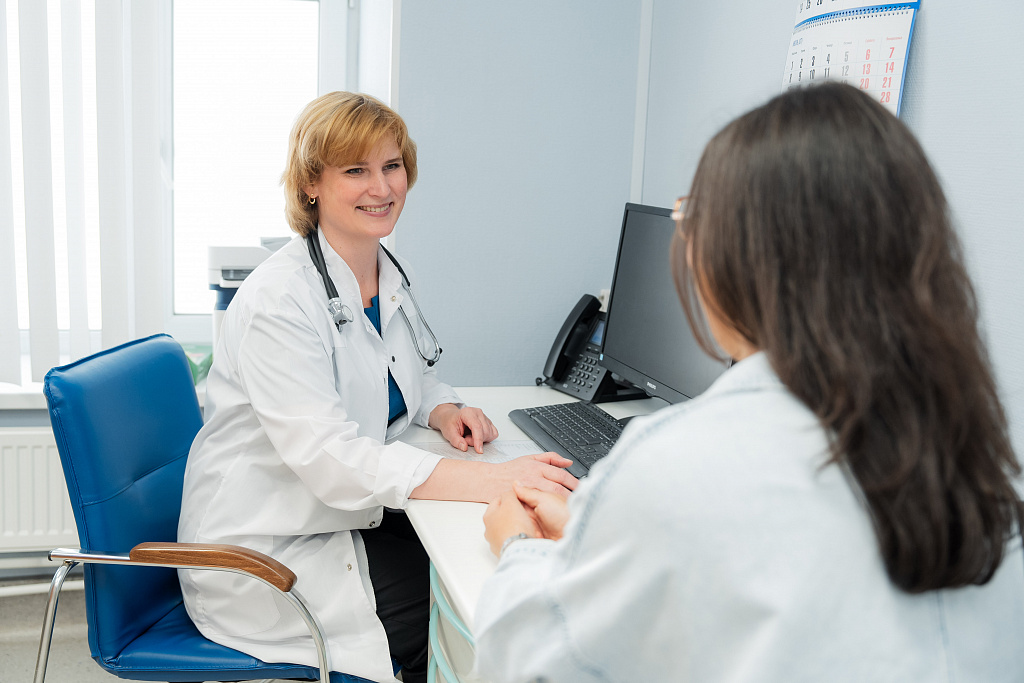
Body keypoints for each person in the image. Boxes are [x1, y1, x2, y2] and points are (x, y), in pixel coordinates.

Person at [475, 82, 1024, 682]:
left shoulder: (680, 461)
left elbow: (533, 665)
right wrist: (605, 537)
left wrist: (521, 550)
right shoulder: (983, 468)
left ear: (737, 257)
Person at [177, 92, 576, 683]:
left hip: (337, 517)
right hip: (267, 549)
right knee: (463, 606)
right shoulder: (279, 301)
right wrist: (492, 478)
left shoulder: (382, 272)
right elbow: (332, 459)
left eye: (392, 166)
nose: (382, 187)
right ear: (311, 184)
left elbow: (403, 370)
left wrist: (443, 408)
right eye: (356, 170)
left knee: (475, 555)